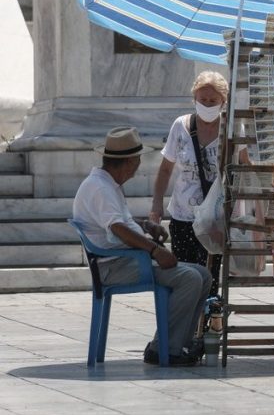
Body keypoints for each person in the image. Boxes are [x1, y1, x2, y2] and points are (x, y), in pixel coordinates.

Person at [73, 127, 213, 366]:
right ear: (129, 162)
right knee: (189, 279)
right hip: (116, 266)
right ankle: (164, 349)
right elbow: (117, 228)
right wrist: (155, 250)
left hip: (125, 260)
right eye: (137, 160)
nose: (138, 166)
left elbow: (117, 223)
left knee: (203, 275)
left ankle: (176, 343)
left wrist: (146, 226)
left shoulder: (107, 184)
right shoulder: (101, 188)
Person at [150, 72, 228, 296]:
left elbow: (242, 167)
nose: (207, 105)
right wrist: (156, 204)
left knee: (209, 275)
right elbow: (165, 169)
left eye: (212, 101)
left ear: (223, 101)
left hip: (214, 217)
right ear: (194, 98)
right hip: (183, 214)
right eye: (203, 100)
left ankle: (207, 314)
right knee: (184, 275)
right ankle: (187, 316)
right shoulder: (181, 126)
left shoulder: (230, 129)